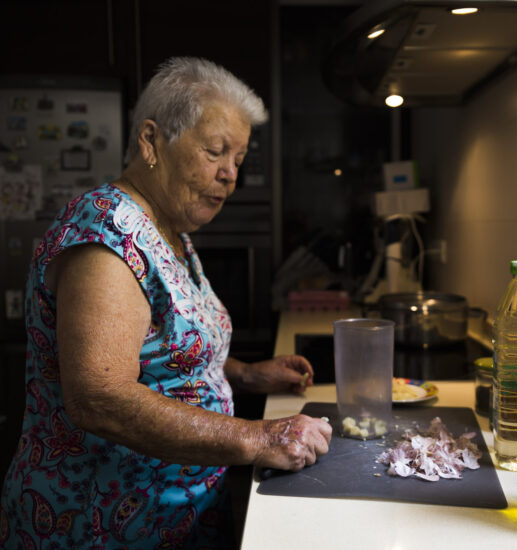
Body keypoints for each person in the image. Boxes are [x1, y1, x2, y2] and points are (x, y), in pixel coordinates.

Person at [0, 57, 332, 549]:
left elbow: (166, 349)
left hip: (175, 518)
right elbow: (99, 397)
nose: (229, 175)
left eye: (238, 159)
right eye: (217, 151)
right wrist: (259, 437)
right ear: (152, 141)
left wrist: (244, 373)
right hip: (97, 524)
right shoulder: (106, 232)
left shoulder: (168, 230)